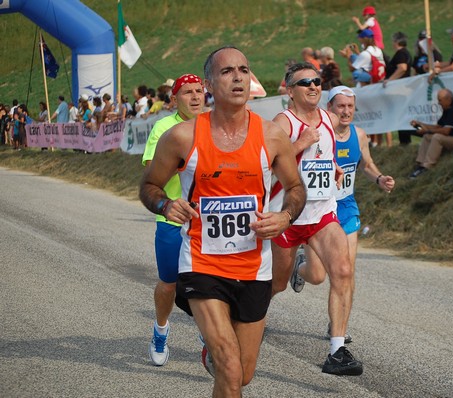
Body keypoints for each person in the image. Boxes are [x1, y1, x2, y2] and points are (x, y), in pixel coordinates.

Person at [139, 46, 306, 396]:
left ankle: (216, 357)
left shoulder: (272, 136)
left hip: (254, 268)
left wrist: (285, 217)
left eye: (244, 70)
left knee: (242, 374)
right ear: (209, 84)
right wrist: (165, 204)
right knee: (229, 366)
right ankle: (219, 355)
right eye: (228, 71)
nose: (238, 77)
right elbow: (149, 186)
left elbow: (295, 188)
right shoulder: (183, 136)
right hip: (202, 263)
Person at [270, 62, 363, 376]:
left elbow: (327, 152)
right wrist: (300, 145)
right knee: (277, 284)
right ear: (290, 91)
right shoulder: (283, 122)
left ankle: (337, 350)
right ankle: (249, 316)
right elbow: (266, 167)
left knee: (343, 270)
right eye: (304, 82)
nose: (312, 86)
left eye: (316, 81)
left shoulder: (329, 118)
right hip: (286, 216)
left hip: (322, 212)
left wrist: (333, 165)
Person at [288, 85, 395, 340]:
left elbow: (366, 164)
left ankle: (338, 327)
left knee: (346, 270)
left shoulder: (359, 135)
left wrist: (379, 178)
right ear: (330, 109)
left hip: (345, 207)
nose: (346, 112)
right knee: (316, 275)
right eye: (341, 106)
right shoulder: (320, 133)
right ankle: (299, 267)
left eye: (350, 106)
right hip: (320, 209)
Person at [141, 73, 207, 367]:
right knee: (169, 284)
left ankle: (209, 335)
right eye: (187, 92)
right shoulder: (164, 127)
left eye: (199, 91)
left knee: (208, 284)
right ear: (174, 99)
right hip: (173, 220)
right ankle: (161, 329)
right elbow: (151, 168)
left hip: (207, 223)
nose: (195, 97)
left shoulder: (214, 126)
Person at [409, 89, 453, 178]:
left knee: (437, 137)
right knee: (427, 136)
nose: (439, 103)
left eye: (440, 100)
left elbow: (445, 131)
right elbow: (438, 127)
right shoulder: (447, 109)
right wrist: (420, 123)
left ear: (448, 99)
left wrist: (427, 130)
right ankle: (420, 163)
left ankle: (427, 166)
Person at [382, 31, 412, 147]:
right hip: (403, 89)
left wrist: (390, 80)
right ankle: (404, 141)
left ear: (396, 42)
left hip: (400, 90)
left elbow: (402, 68)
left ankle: (404, 142)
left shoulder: (400, 53)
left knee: (401, 116)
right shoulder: (406, 53)